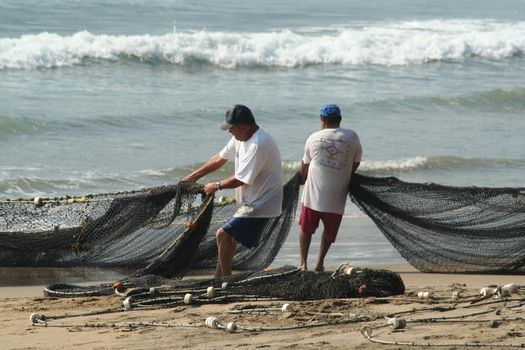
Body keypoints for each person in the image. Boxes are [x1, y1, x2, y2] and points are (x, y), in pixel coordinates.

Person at [183, 104, 283, 277]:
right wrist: (193, 176)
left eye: (232, 129)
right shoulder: (241, 137)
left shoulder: (258, 144)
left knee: (222, 234)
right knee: (230, 238)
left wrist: (216, 185)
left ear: (244, 126)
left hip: (262, 203)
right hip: (250, 200)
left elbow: (240, 179)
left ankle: (227, 281)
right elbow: (219, 158)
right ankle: (219, 277)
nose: (230, 132)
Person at [299, 104, 362, 272]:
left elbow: (304, 166)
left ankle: (303, 264)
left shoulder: (313, 138)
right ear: (339, 119)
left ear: (323, 120)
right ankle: (320, 263)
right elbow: (355, 163)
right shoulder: (352, 137)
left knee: (306, 229)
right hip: (337, 196)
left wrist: (303, 179)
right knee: (329, 233)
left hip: (312, 195)